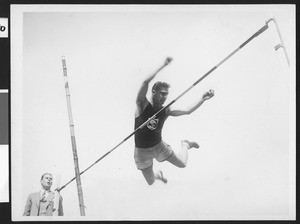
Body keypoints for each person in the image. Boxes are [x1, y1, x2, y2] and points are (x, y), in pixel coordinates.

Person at [134, 57, 214, 185]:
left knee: (182, 164)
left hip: (158, 146)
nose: (164, 97)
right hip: (142, 151)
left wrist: (202, 99)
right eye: (162, 93)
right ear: (153, 92)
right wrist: (163, 65)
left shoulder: (166, 110)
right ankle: (158, 176)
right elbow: (145, 82)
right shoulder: (142, 104)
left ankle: (185, 145)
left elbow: (187, 111)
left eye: (166, 94)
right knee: (150, 181)